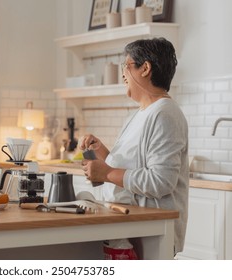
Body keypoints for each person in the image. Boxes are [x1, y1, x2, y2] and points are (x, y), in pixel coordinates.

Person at [79, 38, 189, 254]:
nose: (123, 74)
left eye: (126, 66)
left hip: (153, 231)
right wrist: (102, 152)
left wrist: (107, 173)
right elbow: (132, 169)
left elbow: (161, 182)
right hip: (132, 227)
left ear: (145, 68)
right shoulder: (139, 114)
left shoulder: (165, 114)